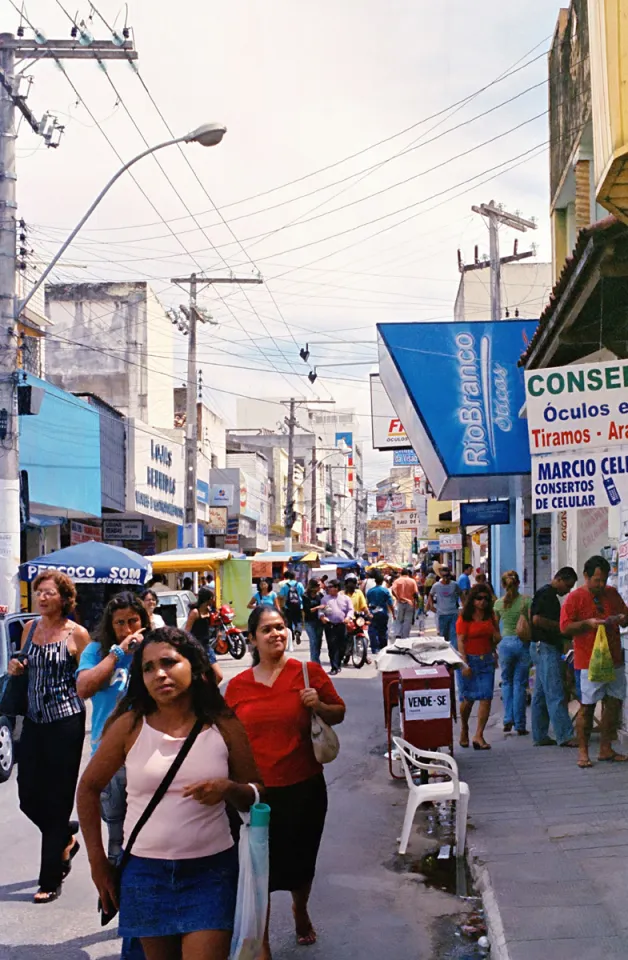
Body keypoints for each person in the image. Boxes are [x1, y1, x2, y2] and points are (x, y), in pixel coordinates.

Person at [77, 628, 261, 960]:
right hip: (145, 875)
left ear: (193, 665)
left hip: (211, 873)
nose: (158, 673)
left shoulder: (223, 724)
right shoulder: (130, 725)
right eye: (148, 667)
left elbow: (257, 792)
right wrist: (98, 862)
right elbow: (88, 789)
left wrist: (229, 789)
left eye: (169, 662)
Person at [225, 607, 345, 959]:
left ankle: (300, 909)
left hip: (305, 787)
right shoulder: (237, 687)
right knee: (257, 866)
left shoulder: (307, 672)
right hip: (257, 795)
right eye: (267, 629)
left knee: (301, 862)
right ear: (252, 639)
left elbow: (339, 711)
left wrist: (319, 704)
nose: (277, 634)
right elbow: (224, 735)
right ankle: (261, 941)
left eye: (280, 627)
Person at [8, 571, 90, 903]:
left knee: (57, 802)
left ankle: (50, 879)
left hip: (66, 722)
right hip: (34, 721)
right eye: (39, 592)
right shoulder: (29, 629)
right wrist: (16, 666)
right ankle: (65, 839)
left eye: (49, 592)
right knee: (27, 796)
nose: (42, 597)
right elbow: (24, 665)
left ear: (64, 598)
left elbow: (86, 680)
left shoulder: (77, 634)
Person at [76, 593, 149, 960]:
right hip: (109, 762)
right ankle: (119, 906)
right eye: (119, 622)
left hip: (152, 757)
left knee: (146, 841)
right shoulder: (97, 650)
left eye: (133, 621)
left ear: (144, 619)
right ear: (110, 625)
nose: (127, 628)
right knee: (119, 843)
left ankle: (138, 916)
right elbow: (85, 687)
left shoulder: (155, 647)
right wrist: (119, 651)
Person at [560, 555, 628, 768]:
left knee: (614, 703)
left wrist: (620, 619)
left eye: (604, 580)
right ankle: (583, 751)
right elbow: (564, 627)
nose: (600, 584)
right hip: (588, 659)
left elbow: (625, 614)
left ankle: (606, 748)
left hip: (614, 657)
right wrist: (587, 624)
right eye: (597, 580)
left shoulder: (612, 593)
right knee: (587, 706)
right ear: (586, 576)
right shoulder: (575, 598)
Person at [529, 567, 579, 748]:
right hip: (546, 646)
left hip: (540, 646)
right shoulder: (547, 595)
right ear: (558, 579)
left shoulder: (546, 594)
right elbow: (536, 620)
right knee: (555, 691)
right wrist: (561, 628)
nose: (567, 591)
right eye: (567, 585)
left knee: (541, 693)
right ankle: (564, 734)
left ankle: (540, 734)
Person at [456, 585, 501, 750]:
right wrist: (464, 663)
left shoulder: (490, 616)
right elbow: (460, 640)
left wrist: (496, 641)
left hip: (486, 660)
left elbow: (495, 636)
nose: (482, 602)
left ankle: (479, 735)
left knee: (486, 698)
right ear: (472, 600)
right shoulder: (465, 617)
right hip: (470, 661)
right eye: (478, 598)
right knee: (467, 699)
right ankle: (464, 728)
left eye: (485, 599)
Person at [494, 571, 532, 735]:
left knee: (507, 682)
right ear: (518, 583)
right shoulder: (526, 601)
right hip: (522, 643)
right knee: (520, 684)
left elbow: (494, 628)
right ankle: (520, 724)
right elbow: (530, 623)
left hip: (505, 644)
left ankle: (508, 718)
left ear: (503, 585)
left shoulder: (498, 604)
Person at [183, 587, 223, 684]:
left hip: (207, 647)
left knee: (219, 676)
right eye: (212, 598)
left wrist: (217, 635)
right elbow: (186, 631)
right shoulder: (195, 612)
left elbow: (212, 627)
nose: (213, 600)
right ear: (208, 599)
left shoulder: (210, 611)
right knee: (200, 678)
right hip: (196, 648)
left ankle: (209, 693)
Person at [319, 579, 354, 676]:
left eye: (331, 587)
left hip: (342, 625)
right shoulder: (325, 599)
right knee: (332, 646)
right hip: (330, 625)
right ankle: (334, 667)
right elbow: (321, 610)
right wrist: (322, 617)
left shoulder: (345, 598)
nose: (329, 589)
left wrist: (348, 617)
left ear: (337, 588)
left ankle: (338, 664)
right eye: (328, 587)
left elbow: (351, 610)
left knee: (342, 646)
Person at [426, 566, 462, 648]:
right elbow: (430, 595)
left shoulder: (454, 585)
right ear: (441, 576)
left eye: (447, 576)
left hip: (453, 613)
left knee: (454, 635)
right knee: (443, 636)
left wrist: (464, 606)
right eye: (444, 576)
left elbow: (461, 594)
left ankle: (453, 652)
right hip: (442, 614)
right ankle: (445, 651)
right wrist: (431, 606)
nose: (446, 578)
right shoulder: (436, 586)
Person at [366, 571, 395, 655]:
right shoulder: (385, 591)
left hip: (372, 613)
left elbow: (367, 603)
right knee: (383, 630)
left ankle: (374, 648)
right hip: (383, 613)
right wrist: (393, 613)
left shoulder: (370, 591)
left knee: (372, 630)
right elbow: (390, 603)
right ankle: (383, 647)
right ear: (382, 581)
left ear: (375, 581)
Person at [302, 578, 325, 665]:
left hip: (319, 621)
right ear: (313, 586)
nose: (320, 586)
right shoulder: (305, 596)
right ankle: (315, 662)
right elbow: (307, 610)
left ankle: (316, 658)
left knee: (319, 641)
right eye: (318, 585)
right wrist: (318, 607)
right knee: (313, 640)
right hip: (309, 622)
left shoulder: (321, 595)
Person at [391, 567, 419, 639]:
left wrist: (397, 598)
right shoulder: (412, 581)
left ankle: (398, 633)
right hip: (410, 603)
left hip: (400, 602)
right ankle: (405, 636)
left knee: (399, 619)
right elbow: (416, 593)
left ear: (401, 573)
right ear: (407, 574)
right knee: (407, 620)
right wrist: (417, 603)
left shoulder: (397, 581)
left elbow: (393, 590)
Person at [278, 572, 305, 639]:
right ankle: (298, 631)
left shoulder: (285, 585)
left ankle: (291, 636)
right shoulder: (299, 584)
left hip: (288, 606)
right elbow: (303, 594)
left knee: (289, 621)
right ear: (295, 577)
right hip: (298, 606)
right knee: (298, 620)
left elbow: (281, 595)